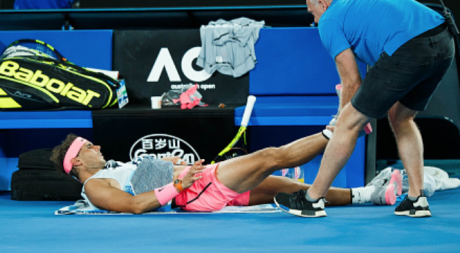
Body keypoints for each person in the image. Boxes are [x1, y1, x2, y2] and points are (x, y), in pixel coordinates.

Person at [274, 0, 455, 218]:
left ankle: (312, 199)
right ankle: (416, 199)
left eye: (313, 12)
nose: (314, 20)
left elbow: (352, 81)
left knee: (348, 122)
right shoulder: (363, 7)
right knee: (401, 117)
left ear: (323, 4)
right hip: (445, 41)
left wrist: (341, 119)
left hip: (410, 47)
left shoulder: (330, 20)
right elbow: (376, 69)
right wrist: (361, 109)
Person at [50, 131, 400, 214]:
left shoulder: (112, 169)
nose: (97, 147)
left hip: (198, 186)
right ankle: (341, 129)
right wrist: (177, 183)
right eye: (88, 148)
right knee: (269, 157)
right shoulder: (95, 188)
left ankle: (369, 195)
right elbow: (135, 206)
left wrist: (172, 166)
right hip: (196, 190)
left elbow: (143, 180)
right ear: (77, 162)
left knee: (292, 186)